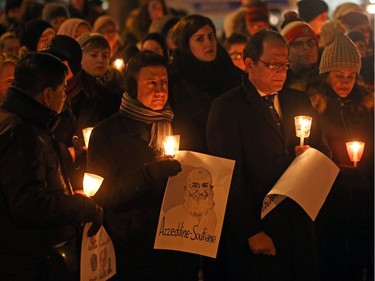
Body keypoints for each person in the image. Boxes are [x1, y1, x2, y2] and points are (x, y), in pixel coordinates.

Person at [205, 29, 331, 281]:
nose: (281, 72)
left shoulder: (298, 100)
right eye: (273, 64)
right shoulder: (228, 107)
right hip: (258, 223)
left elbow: (323, 150)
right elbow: (226, 176)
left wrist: (309, 159)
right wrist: (250, 230)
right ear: (249, 63)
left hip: (298, 223)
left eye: (285, 64)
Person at [87, 51, 199, 281]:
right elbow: (103, 195)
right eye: (151, 83)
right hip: (133, 249)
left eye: (164, 82)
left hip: (178, 245)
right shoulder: (108, 133)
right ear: (132, 86)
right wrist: (148, 174)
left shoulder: (182, 124)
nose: (160, 90)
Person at [0, 52, 103, 281]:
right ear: (47, 95)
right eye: (62, 91)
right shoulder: (22, 132)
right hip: (30, 262)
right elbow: (28, 205)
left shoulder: (19, 121)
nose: (65, 97)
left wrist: (65, 194)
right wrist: (80, 206)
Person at [306, 31, 374, 281]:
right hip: (328, 197)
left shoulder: (365, 107)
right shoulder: (314, 107)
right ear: (326, 76)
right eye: (339, 75)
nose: (346, 82)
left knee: (356, 257)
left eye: (351, 76)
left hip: (361, 196)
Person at [169, 14, 242, 152]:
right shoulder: (176, 78)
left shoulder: (231, 72)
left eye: (211, 36)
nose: (208, 43)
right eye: (200, 39)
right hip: (195, 153)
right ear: (186, 44)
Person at [164, 167, 217, 234]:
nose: (201, 192)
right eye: (195, 186)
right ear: (187, 189)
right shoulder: (172, 215)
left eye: (205, 186)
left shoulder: (212, 217)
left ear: (210, 188)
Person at [280, 12, 320, 92]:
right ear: (286, 51)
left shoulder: (328, 79)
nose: (306, 48)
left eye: (311, 43)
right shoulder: (279, 84)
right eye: (298, 44)